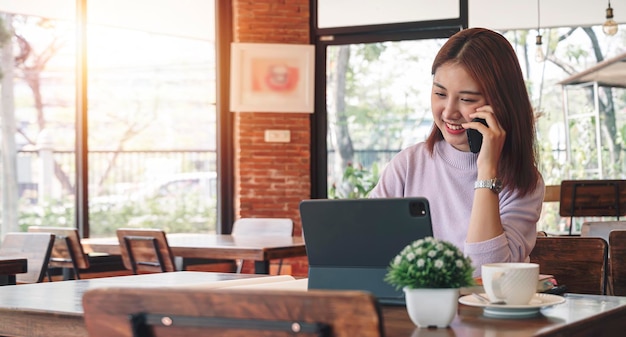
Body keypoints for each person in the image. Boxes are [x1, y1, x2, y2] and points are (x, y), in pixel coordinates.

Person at [369, 27, 545, 277]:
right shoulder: (408, 165)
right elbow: (364, 248)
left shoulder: (523, 182)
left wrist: (486, 172)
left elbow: (484, 273)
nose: (449, 111)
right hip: (414, 312)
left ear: (501, 103)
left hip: (487, 314)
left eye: (467, 99)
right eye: (440, 93)